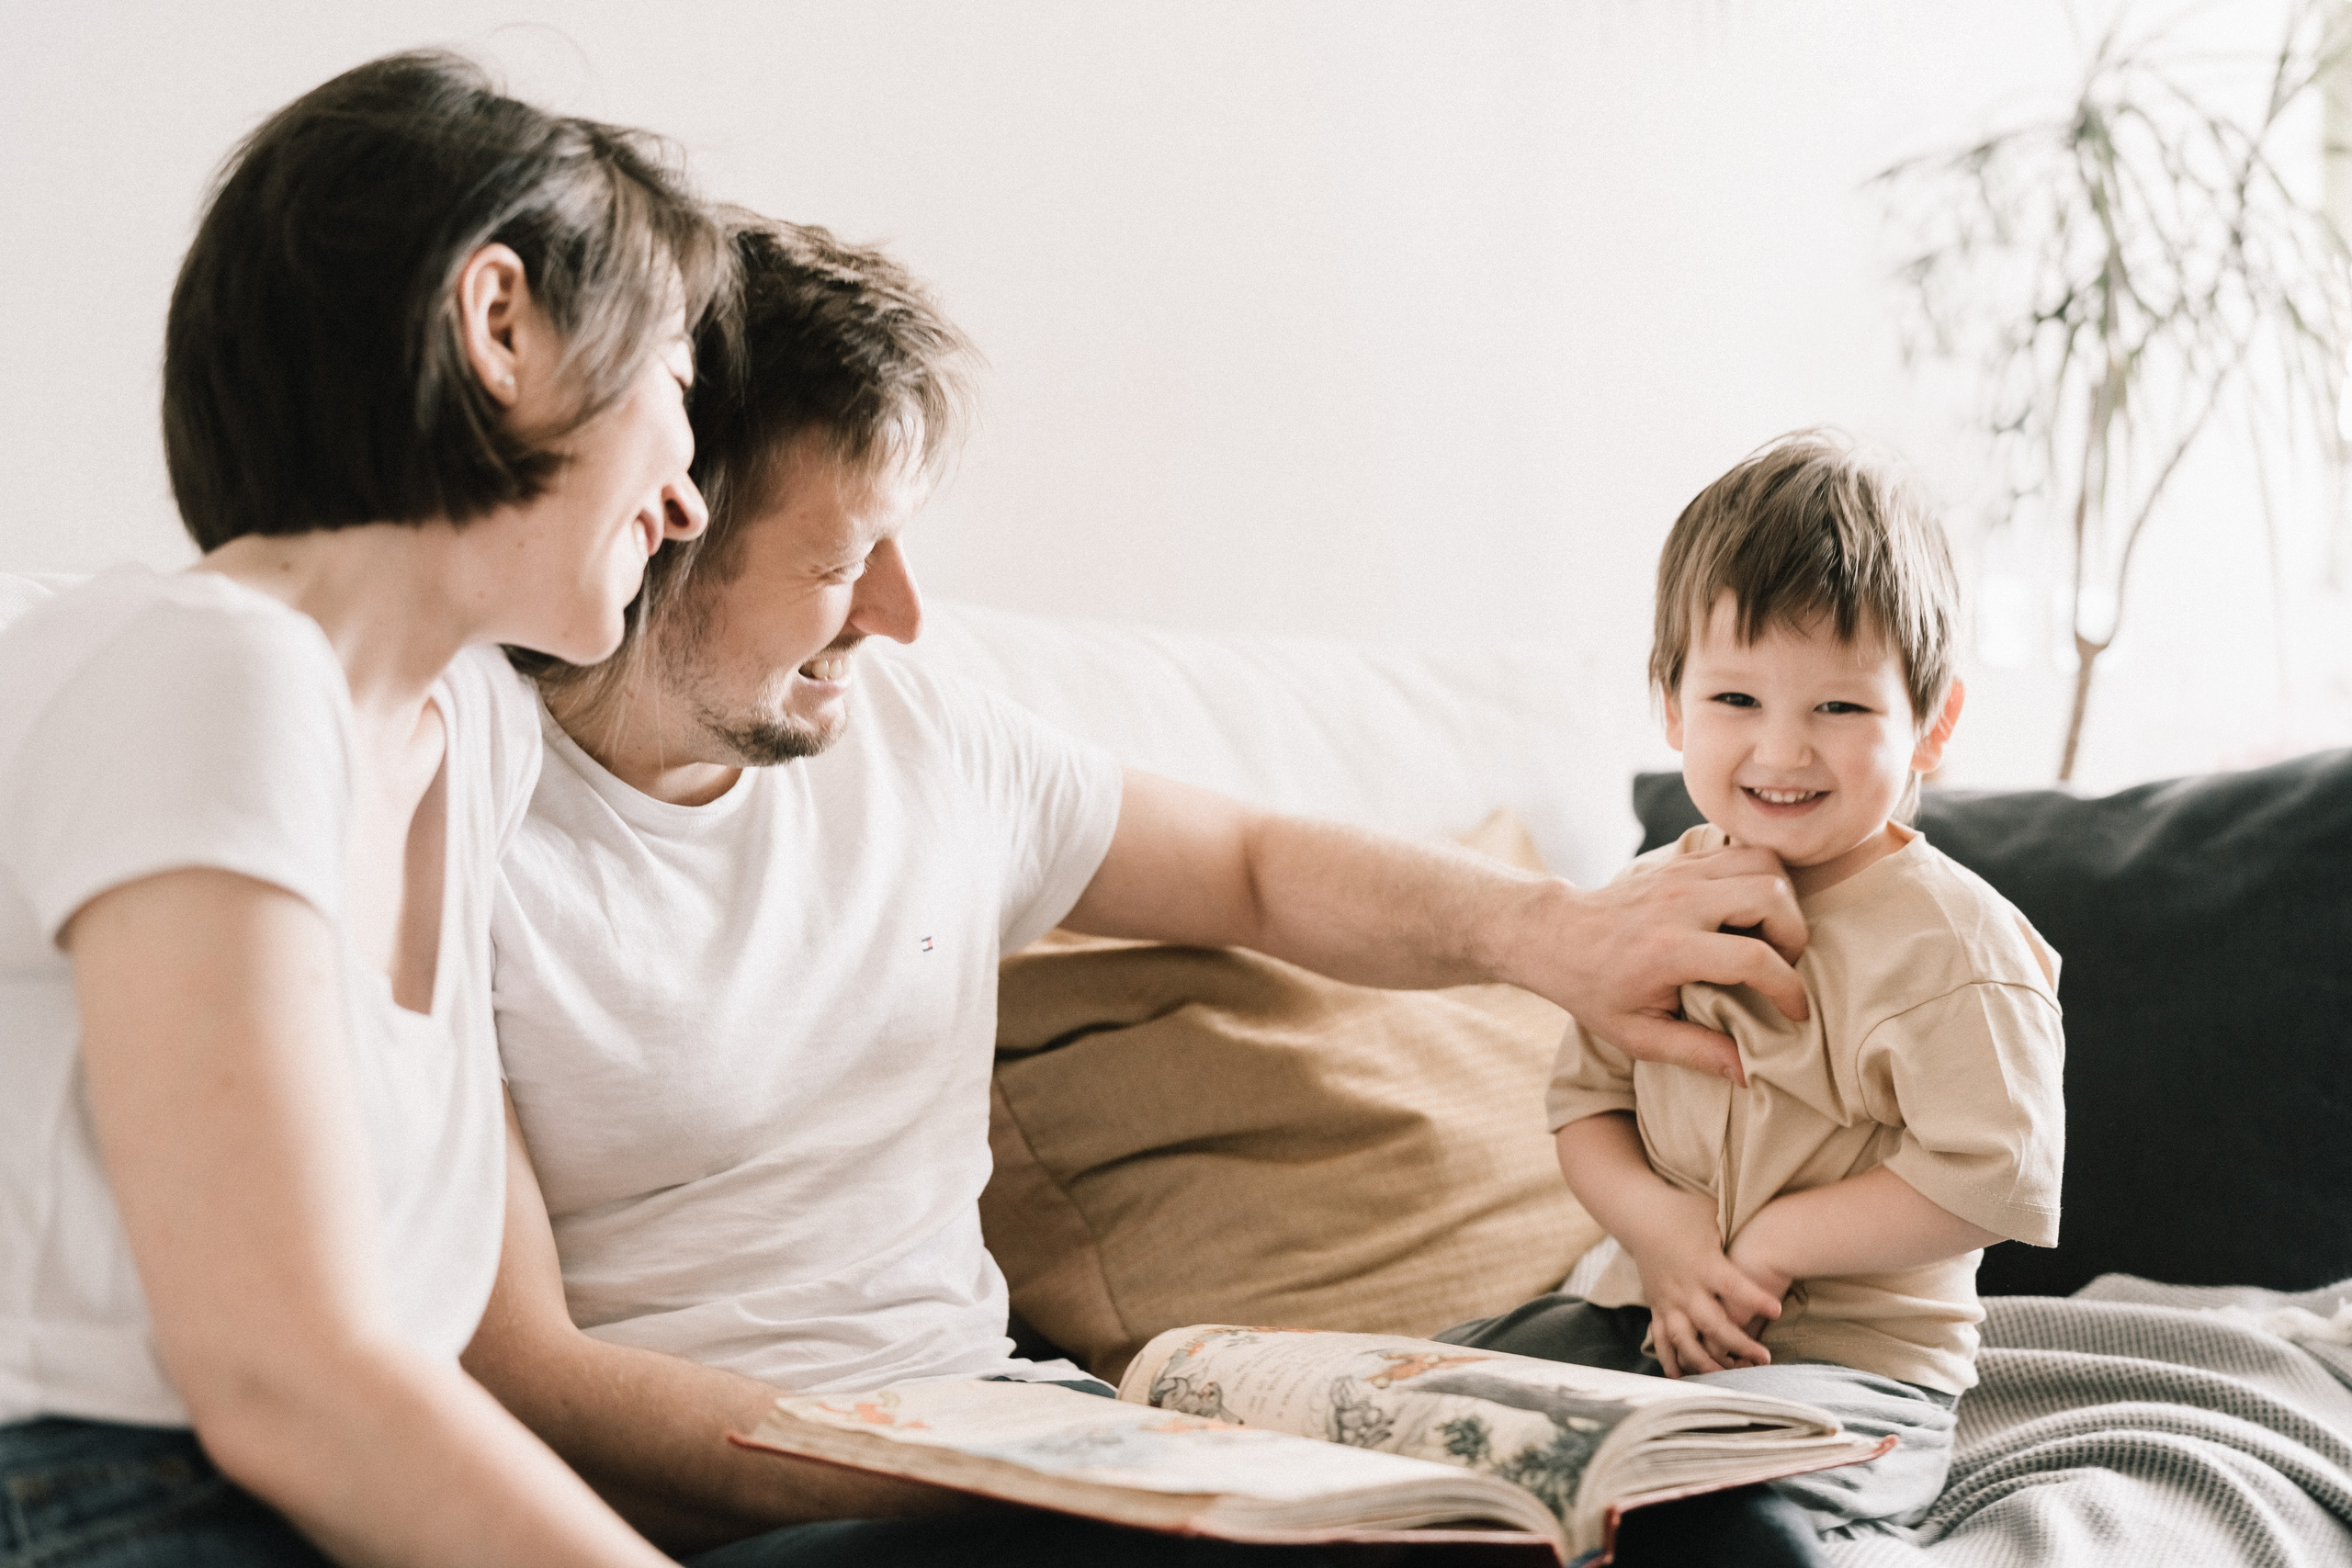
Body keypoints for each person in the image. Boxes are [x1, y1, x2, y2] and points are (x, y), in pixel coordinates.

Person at [461, 215, 1827, 1565]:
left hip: (1016, 1442)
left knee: (1714, 1525)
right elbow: (529, 1372)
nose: (901, 611)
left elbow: (1254, 867)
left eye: (897, 544)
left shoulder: (923, 736)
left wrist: (1556, 934)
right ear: (660, 529)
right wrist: (991, 1477)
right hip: (786, 1505)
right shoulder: (466, 826)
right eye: (836, 564)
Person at [0, 52, 729, 1567]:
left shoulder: (473, 729)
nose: (691, 499)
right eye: (676, 379)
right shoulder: (210, 665)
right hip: (103, 1499)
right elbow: (288, 1380)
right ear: (499, 321)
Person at [1436, 432, 2067, 1543]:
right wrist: (1668, 1239)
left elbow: (1991, 1177)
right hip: (1635, 1314)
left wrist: (1769, 1246)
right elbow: (1588, 1108)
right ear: (1671, 706)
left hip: (1852, 1370)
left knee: (1727, 1522)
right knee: (1430, 1395)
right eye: (1735, 697)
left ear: (1931, 724)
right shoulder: (1645, 903)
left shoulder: (1955, 939)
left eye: (1838, 708)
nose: (1783, 749)